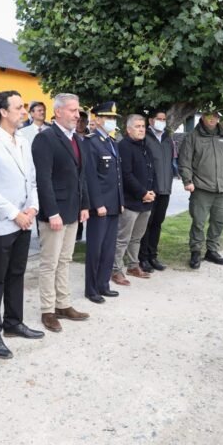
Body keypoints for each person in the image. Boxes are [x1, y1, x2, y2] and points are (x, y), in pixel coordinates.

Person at [0, 90, 44, 359]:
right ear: (2, 111)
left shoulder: (23, 141)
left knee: (17, 274)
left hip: (25, 220)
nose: (23, 112)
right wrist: (16, 214)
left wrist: (33, 207)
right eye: (18, 107)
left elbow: (32, 180)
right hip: (3, 223)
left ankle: (14, 322)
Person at [31, 93, 91, 332]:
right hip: (54, 212)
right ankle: (48, 310)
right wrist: (51, 212)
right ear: (58, 112)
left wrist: (84, 205)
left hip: (73, 209)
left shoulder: (76, 139)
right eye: (72, 110)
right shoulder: (45, 139)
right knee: (50, 262)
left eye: (78, 111)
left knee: (65, 260)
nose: (77, 115)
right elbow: (42, 179)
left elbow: (81, 176)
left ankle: (63, 304)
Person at [177, 110, 223, 269]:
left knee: (219, 221)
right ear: (203, 117)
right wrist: (187, 180)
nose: (213, 119)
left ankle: (212, 250)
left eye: (216, 116)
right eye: (209, 116)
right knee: (198, 222)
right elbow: (184, 160)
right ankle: (196, 251)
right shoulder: (193, 137)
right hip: (201, 188)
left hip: (222, 189)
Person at [83, 102, 124, 300]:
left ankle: (103, 283)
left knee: (109, 247)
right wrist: (97, 204)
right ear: (97, 119)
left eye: (114, 118)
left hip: (114, 204)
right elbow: (91, 177)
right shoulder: (91, 142)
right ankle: (91, 289)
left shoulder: (111, 142)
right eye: (108, 117)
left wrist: (120, 200)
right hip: (100, 206)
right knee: (96, 248)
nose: (111, 121)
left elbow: (117, 177)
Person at [113, 114, 156, 285]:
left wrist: (152, 192)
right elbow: (126, 175)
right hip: (132, 201)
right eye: (137, 126)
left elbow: (152, 171)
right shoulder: (124, 146)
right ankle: (115, 270)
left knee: (137, 237)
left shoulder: (145, 145)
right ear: (128, 129)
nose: (141, 129)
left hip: (146, 201)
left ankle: (133, 265)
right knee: (122, 238)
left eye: (143, 126)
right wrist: (142, 193)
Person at [139, 108, 175, 272]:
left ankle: (153, 255)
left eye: (164, 119)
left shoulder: (168, 139)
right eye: (159, 118)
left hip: (165, 189)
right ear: (151, 121)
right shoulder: (145, 138)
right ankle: (143, 257)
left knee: (157, 224)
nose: (162, 121)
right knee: (146, 224)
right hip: (150, 189)